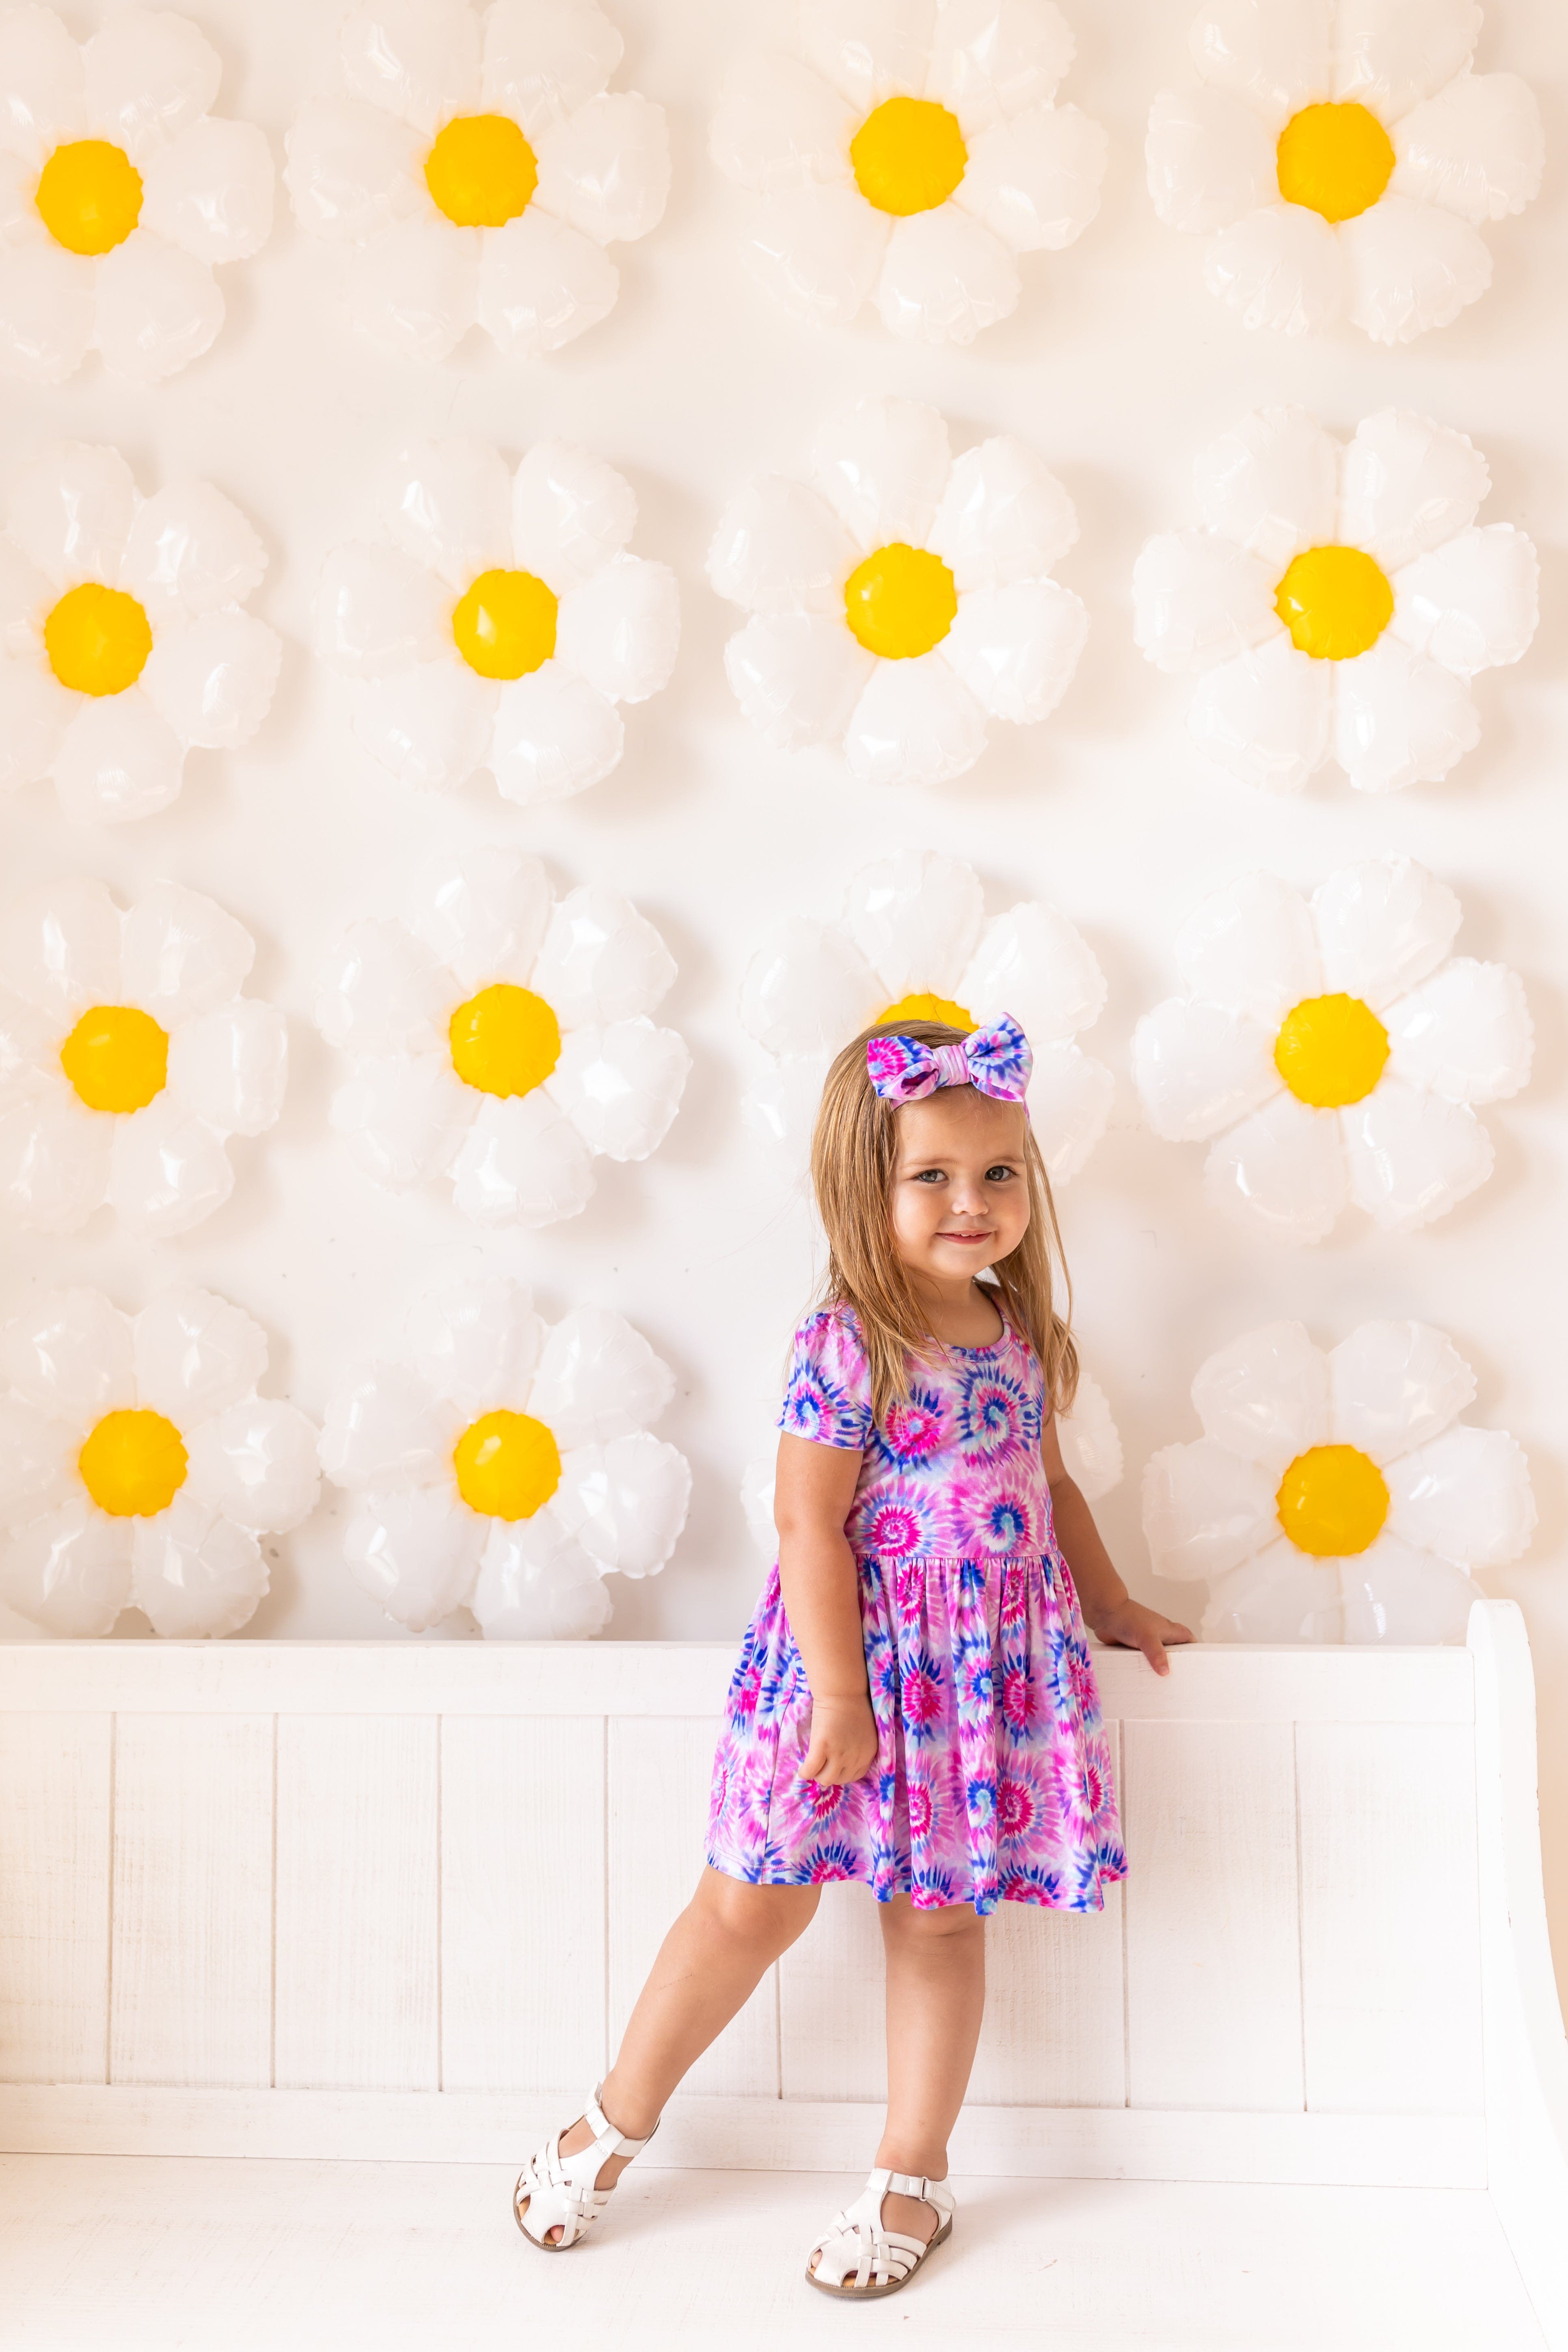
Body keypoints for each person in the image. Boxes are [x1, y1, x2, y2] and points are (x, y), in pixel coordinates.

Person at [512, 1013, 1192, 2296]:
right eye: (931, 1174)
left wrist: (1111, 1601)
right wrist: (839, 1691)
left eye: (997, 1173)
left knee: (939, 1925)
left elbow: (1049, 1486)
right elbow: (805, 1520)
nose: (972, 1203)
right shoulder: (848, 1345)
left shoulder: (1019, 1333)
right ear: (861, 1184)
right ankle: (610, 2118)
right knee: (748, 1901)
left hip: (975, 1688)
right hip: (854, 1675)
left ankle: (911, 2171)